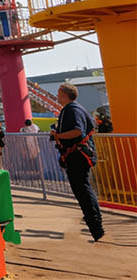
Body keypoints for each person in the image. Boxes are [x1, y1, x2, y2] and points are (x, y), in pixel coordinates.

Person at [52, 83, 104, 241]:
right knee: (83, 189)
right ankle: (94, 223)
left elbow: (77, 131)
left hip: (77, 156)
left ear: (65, 94)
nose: (57, 96)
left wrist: (58, 136)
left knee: (83, 190)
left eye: (59, 94)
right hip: (77, 155)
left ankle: (96, 227)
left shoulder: (72, 110)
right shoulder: (76, 109)